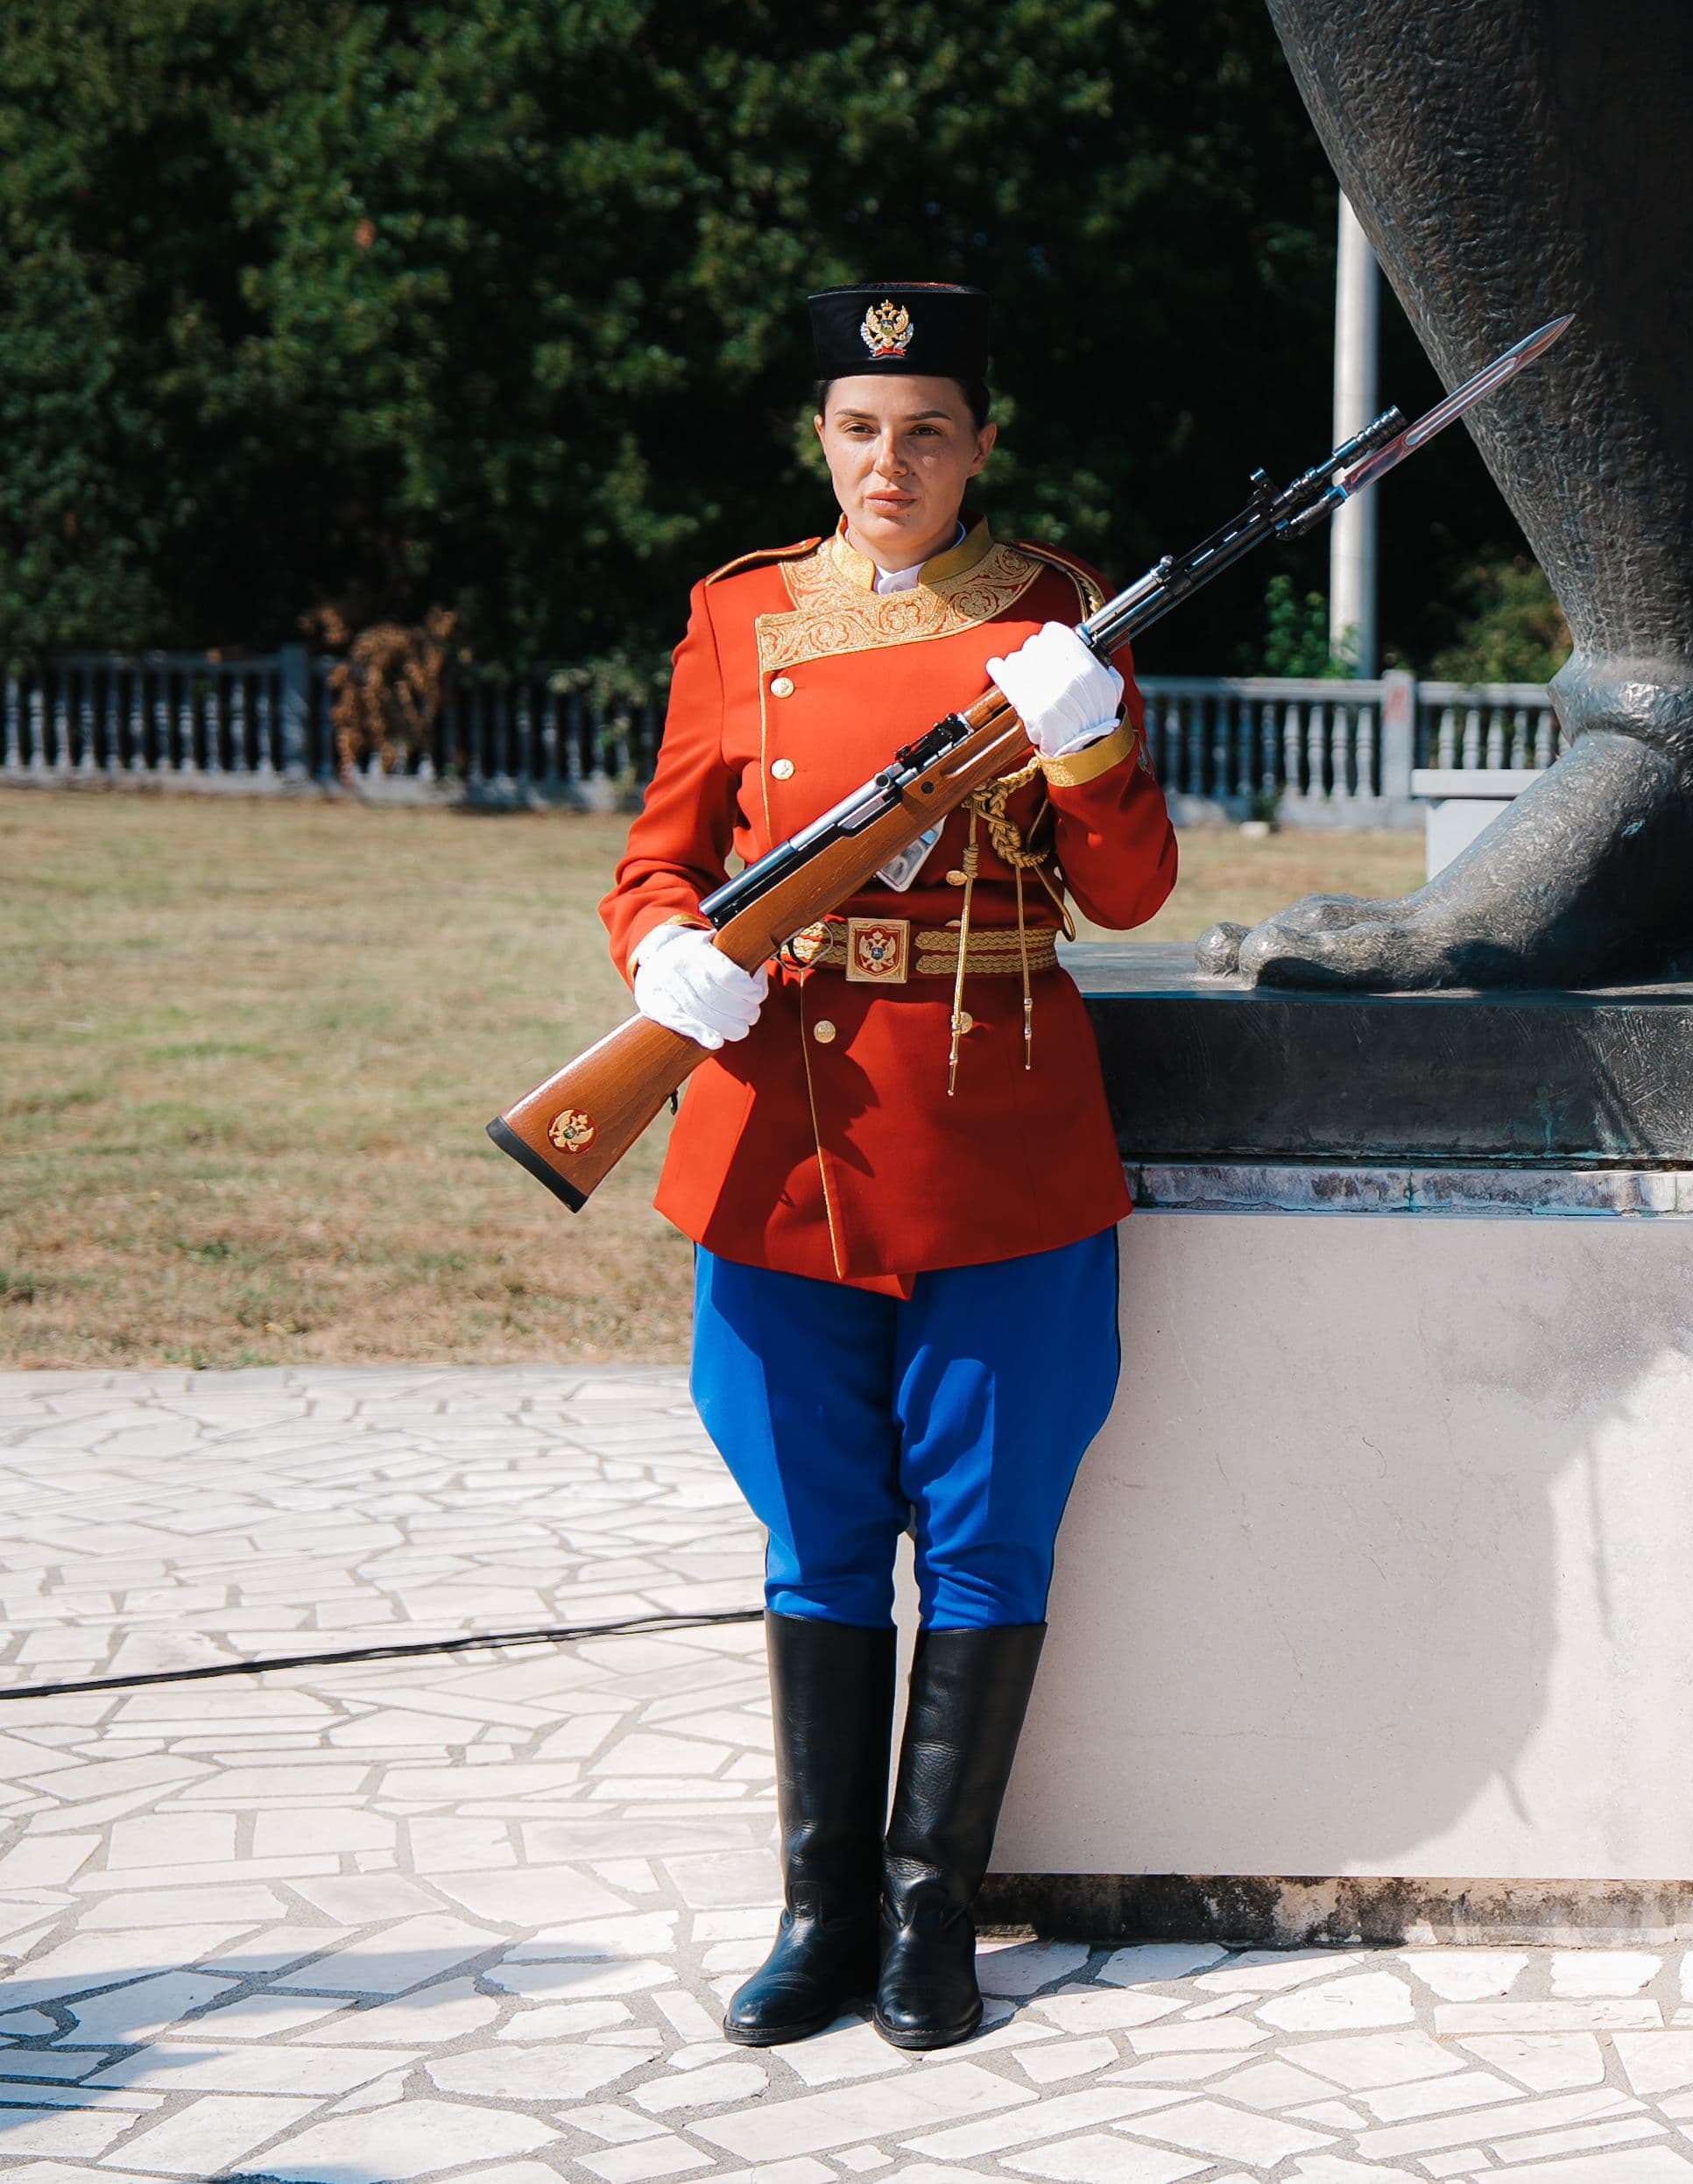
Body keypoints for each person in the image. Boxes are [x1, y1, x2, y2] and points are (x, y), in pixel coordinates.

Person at [602, 282, 1177, 2051]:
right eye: (860, 429)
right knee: (821, 1523)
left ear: (980, 444)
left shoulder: (1057, 610)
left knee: (989, 1526)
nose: (891, 464)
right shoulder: (741, 612)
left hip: (995, 1120)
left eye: (928, 431)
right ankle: (821, 1909)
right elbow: (658, 859)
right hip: (781, 1122)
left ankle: (931, 1912)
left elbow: (1130, 892)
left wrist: (1087, 739)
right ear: (821, 439)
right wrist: (662, 954)